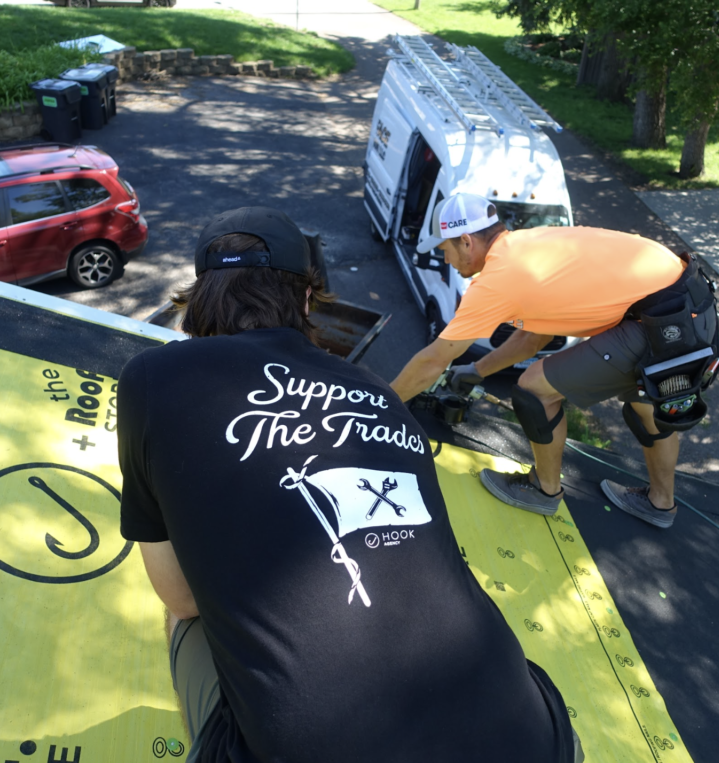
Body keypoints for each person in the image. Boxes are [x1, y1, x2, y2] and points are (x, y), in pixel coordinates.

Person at [117, 206, 580, 763]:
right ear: (307, 300)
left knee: (185, 620)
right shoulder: (378, 391)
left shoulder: (153, 377)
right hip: (535, 739)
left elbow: (182, 597)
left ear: (200, 297)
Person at [390, 193, 718, 530]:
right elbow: (534, 337)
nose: (446, 259)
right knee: (645, 405)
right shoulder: (525, 247)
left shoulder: (498, 277)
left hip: (664, 319)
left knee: (534, 390)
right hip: (687, 305)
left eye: (445, 249)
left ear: (465, 241)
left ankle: (543, 491)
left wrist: (382, 402)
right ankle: (660, 504)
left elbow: (434, 359)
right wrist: (477, 370)